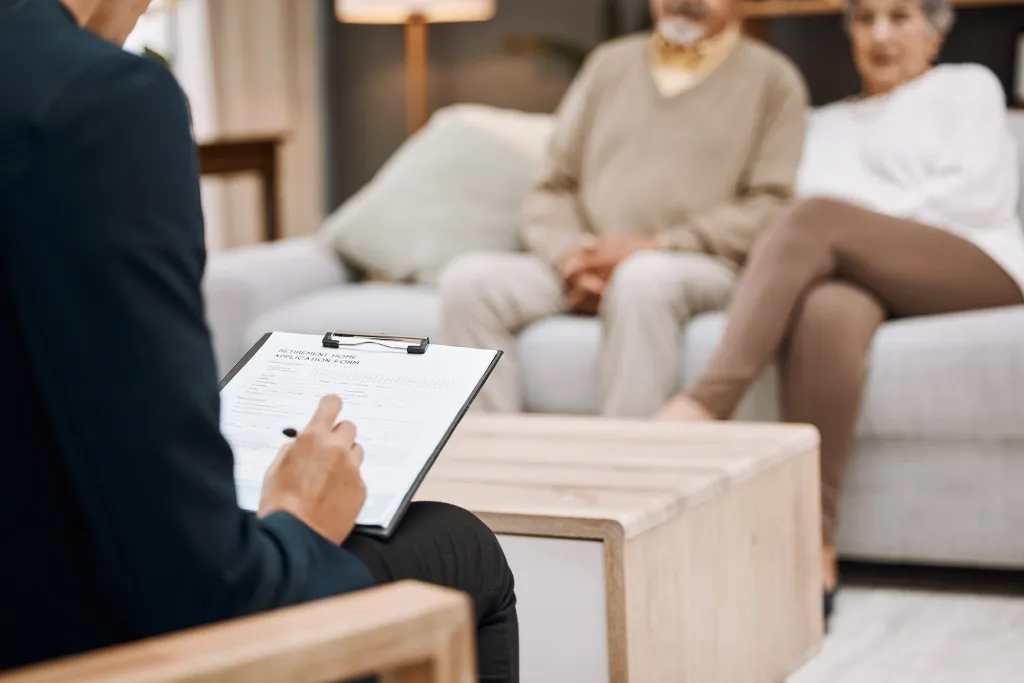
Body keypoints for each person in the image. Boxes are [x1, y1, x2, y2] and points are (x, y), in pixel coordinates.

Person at [0, 1, 517, 679]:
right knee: (459, 544)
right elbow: (203, 586)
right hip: (68, 641)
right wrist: (300, 520)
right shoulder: (102, 100)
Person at [658, 0, 1024, 619]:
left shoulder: (967, 88)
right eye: (864, 20)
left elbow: (976, 195)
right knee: (826, 309)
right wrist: (856, 242)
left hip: (979, 262)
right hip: (864, 276)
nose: (880, 34)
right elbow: (820, 236)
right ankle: (816, 542)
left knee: (815, 218)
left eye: (899, 17)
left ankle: (704, 404)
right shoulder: (822, 124)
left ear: (933, 36)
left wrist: (855, 233)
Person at [438, 0, 808, 417]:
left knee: (641, 278)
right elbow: (551, 187)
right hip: (586, 262)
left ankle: (623, 472)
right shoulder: (607, 65)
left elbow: (770, 207)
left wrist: (657, 245)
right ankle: (493, 470)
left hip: (699, 265)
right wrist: (571, 256)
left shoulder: (775, 80)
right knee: (467, 282)